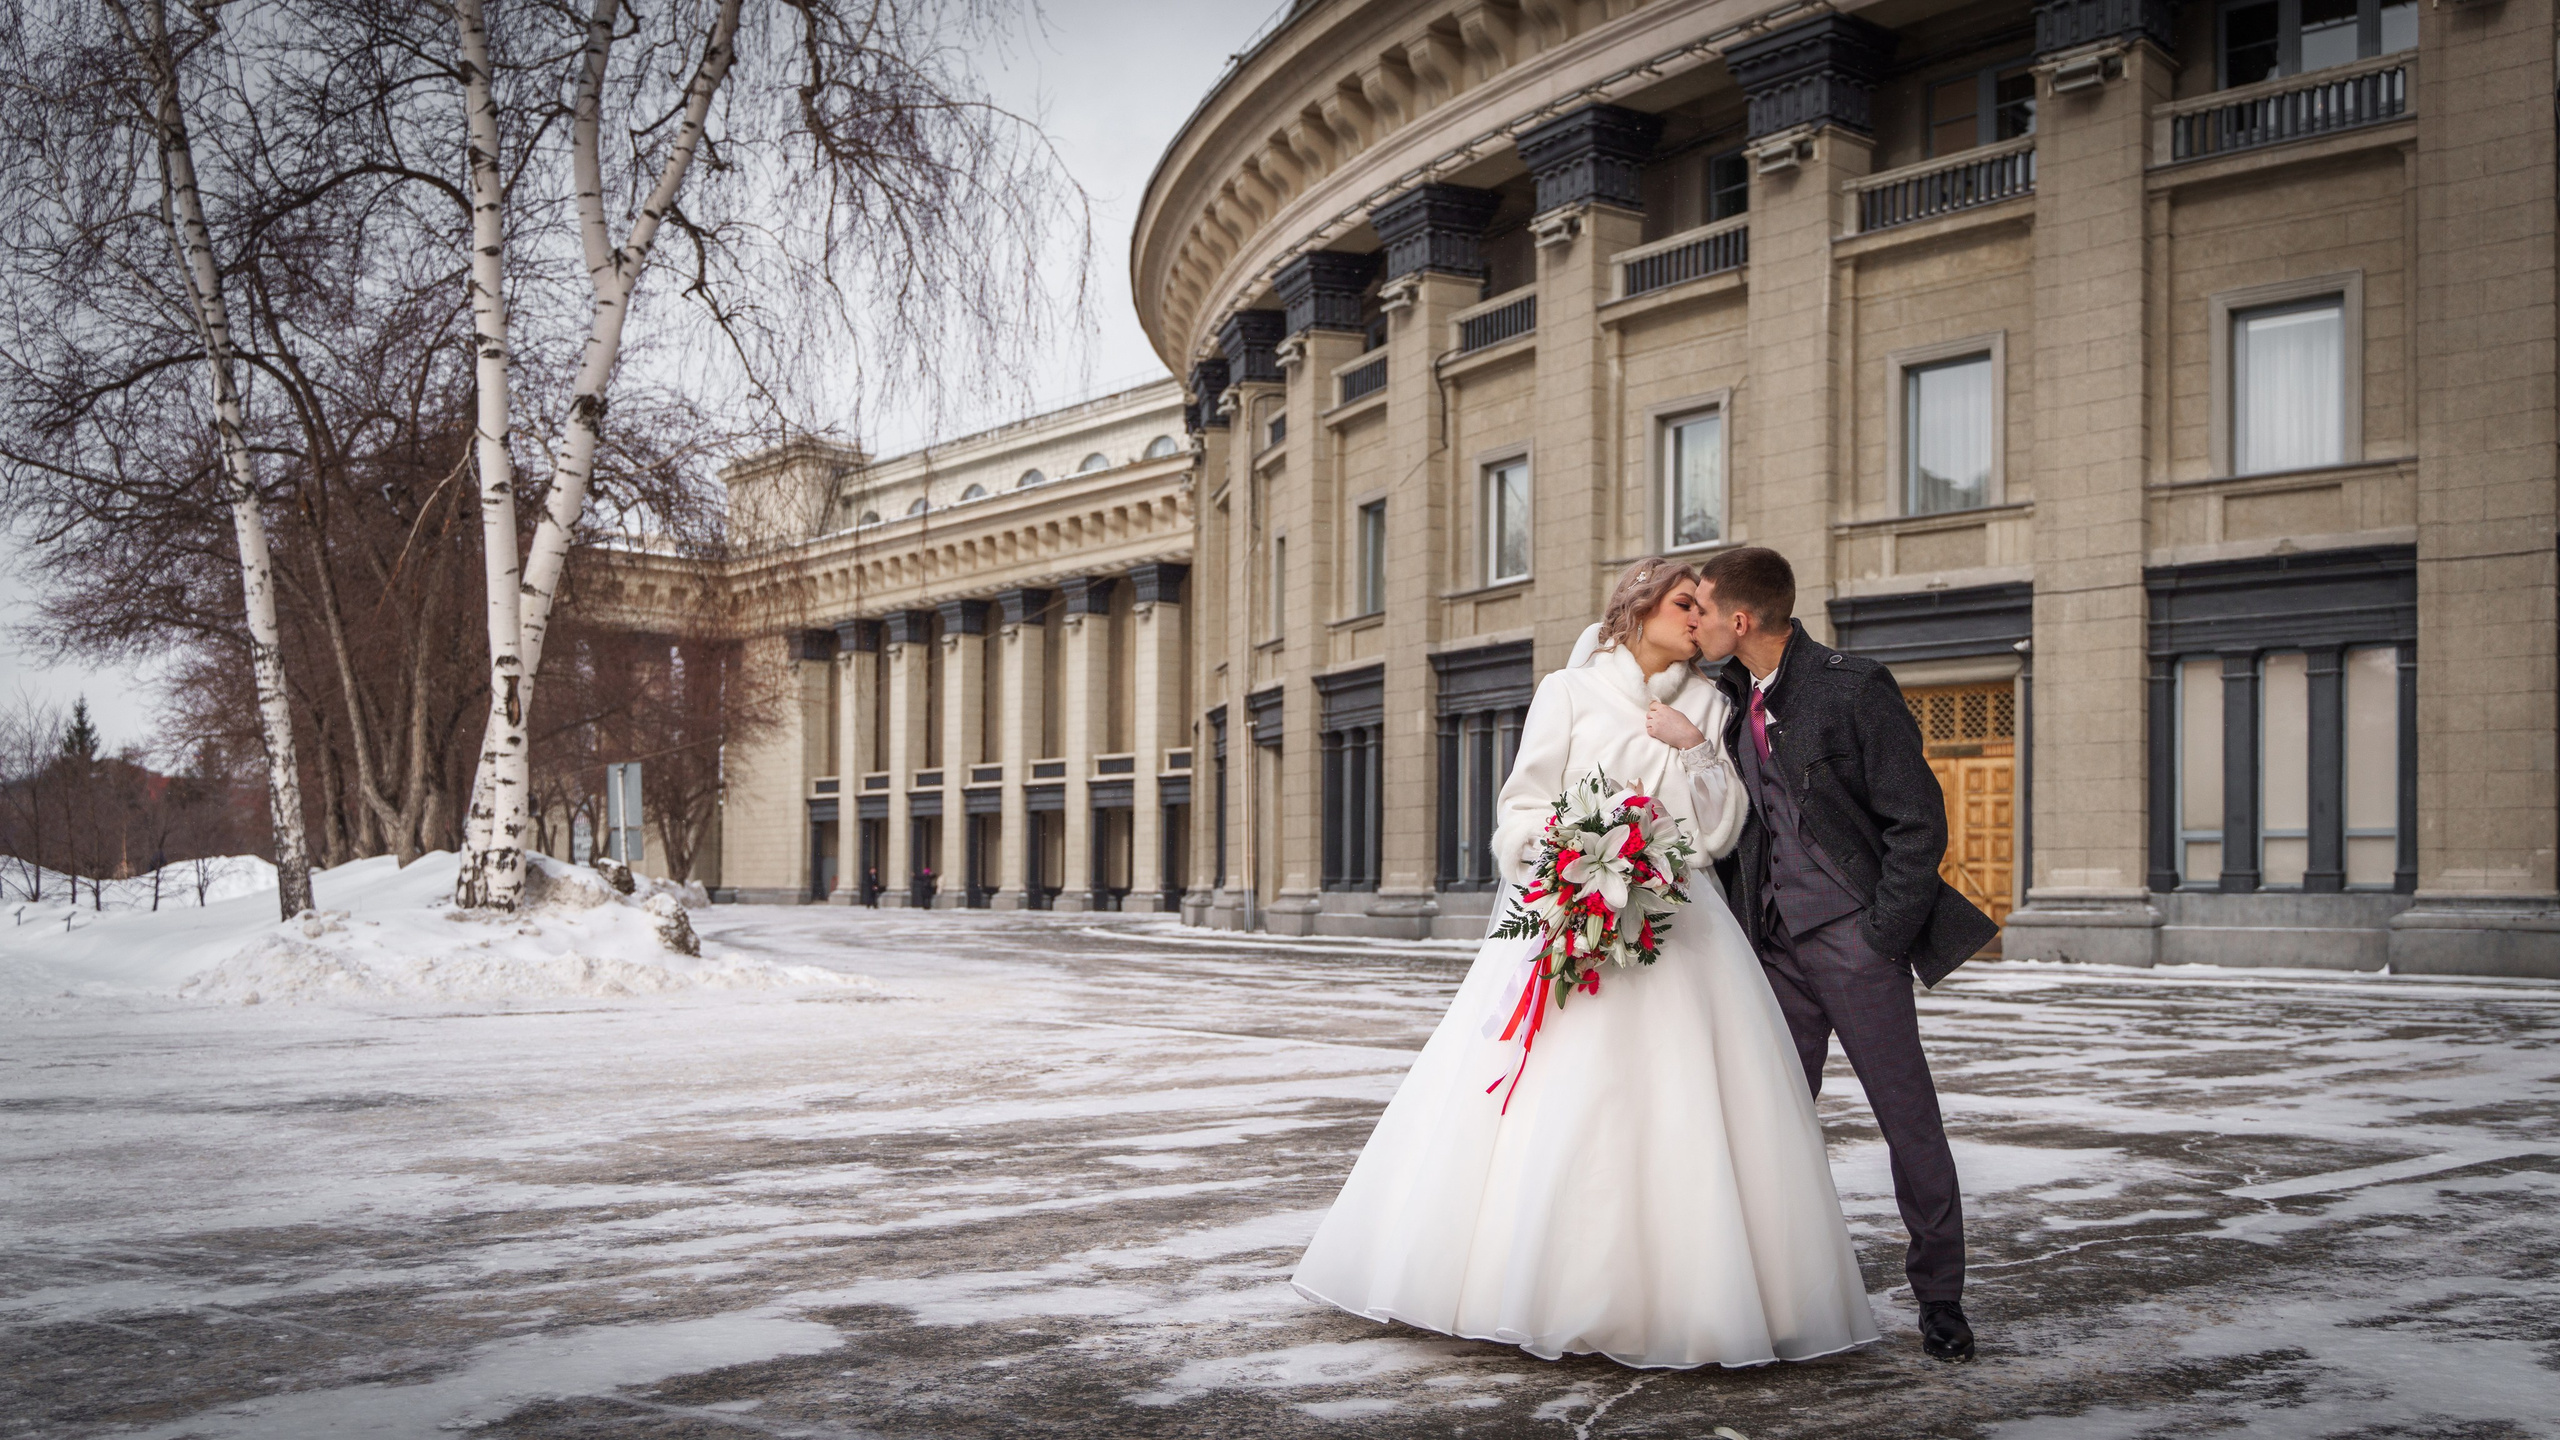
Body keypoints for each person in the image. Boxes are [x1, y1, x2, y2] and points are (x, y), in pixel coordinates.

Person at [1292, 559, 1880, 1370]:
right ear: (1637, 609)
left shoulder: (1714, 703)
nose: (1699, 620)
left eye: (1706, 608)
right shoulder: (1564, 693)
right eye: (1685, 603)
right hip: (1569, 906)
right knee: (1552, 1098)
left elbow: (1719, 831)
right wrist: (1572, 859)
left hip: (1683, 921)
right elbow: (1522, 807)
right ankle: (1523, 1284)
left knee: (1686, 1105)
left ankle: (1692, 1297)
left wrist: (1697, 756)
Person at [1694, 546, 1998, 1363]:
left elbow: (1917, 822)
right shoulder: (1725, 696)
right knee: (1773, 1123)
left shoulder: (1852, 685)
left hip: (1854, 943)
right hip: (1775, 949)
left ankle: (1941, 1300)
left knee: (1909, 1124)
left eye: (1706, 610)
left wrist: (1881, 935)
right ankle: (1772, 1290)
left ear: (1743, 618)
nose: (1698, 623)